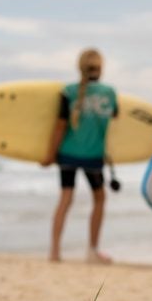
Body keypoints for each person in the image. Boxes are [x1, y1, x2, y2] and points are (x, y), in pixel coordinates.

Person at [42, 48, 118, 264]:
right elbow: (116, 121)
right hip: (93, 156)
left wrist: (49, 155)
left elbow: (59, 126)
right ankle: (92, 251)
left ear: (80, 68)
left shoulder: (68, 92)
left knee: (65, 198)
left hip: (67, 154)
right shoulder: (110, 93)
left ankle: (54, 251)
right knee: (100, 199)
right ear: (101, 69)